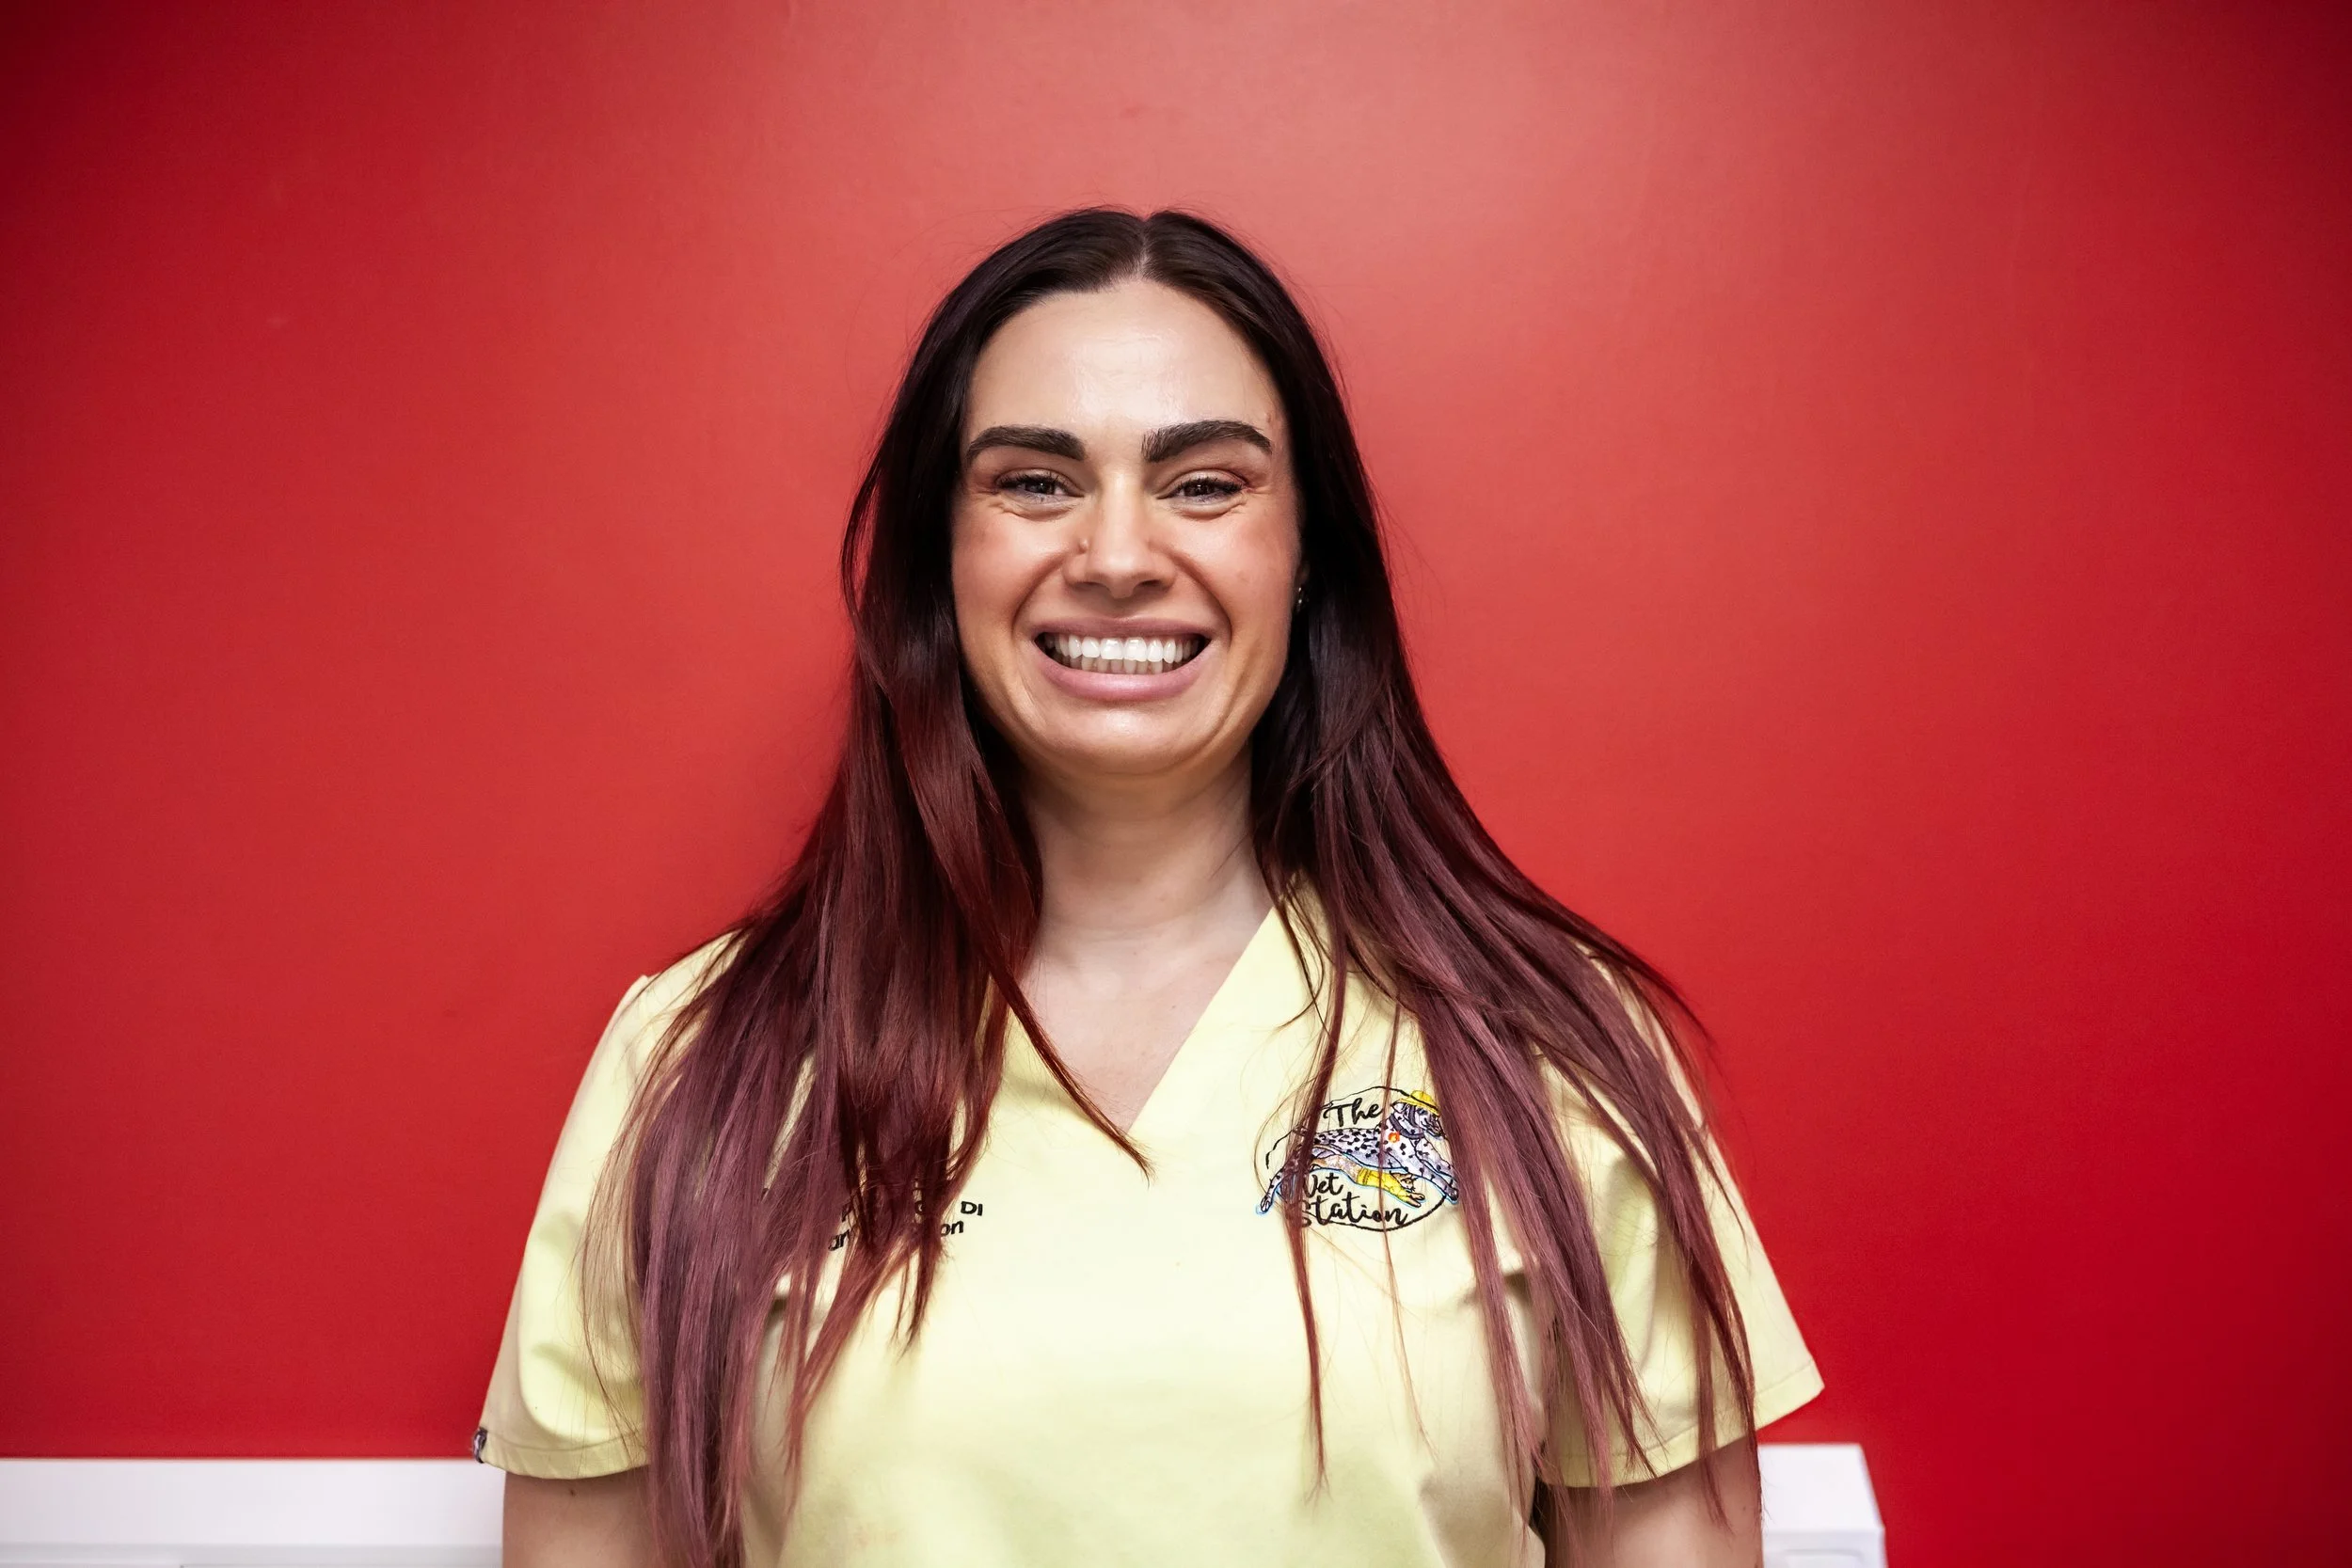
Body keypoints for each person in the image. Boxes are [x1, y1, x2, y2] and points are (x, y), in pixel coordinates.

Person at [479, 208, 1821, 1568]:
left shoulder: (1546, 1052)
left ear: (1308, 561)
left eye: (1204, 484)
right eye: (1034, 483)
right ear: (941, 565)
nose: (1117, 556)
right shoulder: (700, 1059)